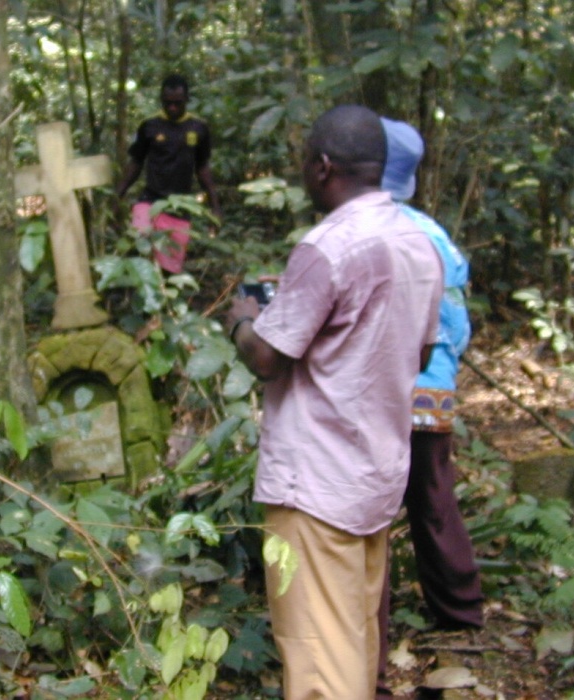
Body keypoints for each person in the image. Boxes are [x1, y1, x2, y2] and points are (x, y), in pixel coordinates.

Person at [225, 104, 444, 699]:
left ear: (322, 167)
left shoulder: (327, 247)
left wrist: (244, 321)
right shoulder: (417, 242)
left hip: (316, 483)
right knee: (352, 637)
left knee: (319, 658)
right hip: (374, 473)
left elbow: (269, 356)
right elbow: (420, 356)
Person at [375, 118, 483, 698]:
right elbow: (457, 322)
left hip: (386, 387)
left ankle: (372, 631)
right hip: (433, 389)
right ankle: (460, 608)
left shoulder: (369, 229)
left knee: (372, 511)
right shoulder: (433, 233)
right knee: (434, 497)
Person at [117, 74, 220, 274]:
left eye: (177, 103)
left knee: (170, 270)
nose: (172, 107)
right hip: (150, 201)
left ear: (186, 100)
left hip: (180, 207)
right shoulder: (149, 125)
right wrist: (118, 193)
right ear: (161, 100)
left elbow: (202, 168)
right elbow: (136, 162)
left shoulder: (198, 128)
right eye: (167, 103)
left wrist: (215, 206)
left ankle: (164, 301)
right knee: (141, 249)